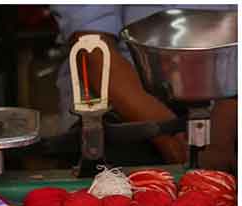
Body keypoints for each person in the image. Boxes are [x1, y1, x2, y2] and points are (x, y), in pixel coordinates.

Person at [52, 6, 236, 171]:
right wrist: (171, 139)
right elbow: (92, 50)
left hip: (226, 97)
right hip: (123, 103)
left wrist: (228, 113)